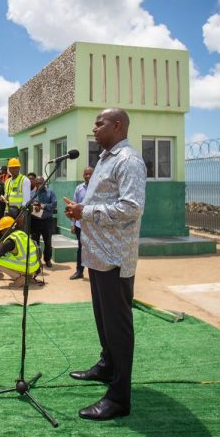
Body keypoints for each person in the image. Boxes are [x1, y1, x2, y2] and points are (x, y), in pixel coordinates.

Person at [64, 108, 146, 421]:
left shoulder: (128, 160)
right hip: (97, 256)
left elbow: (131, 208)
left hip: (115, 258)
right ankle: (107, 366)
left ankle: (119, 397)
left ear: (117, 125)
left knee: (118, 326)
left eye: (99, 123)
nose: (94, 127)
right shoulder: (105, 158)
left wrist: (86, 212)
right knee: (103, 321)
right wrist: (82, 212)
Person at [0, 216, 40, 288]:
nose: (1, 232)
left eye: (3, 230)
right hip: (34, 266)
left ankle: (20, 278)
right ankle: (28, 275)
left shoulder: (10, 241)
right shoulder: (21, 234)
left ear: (7, 229)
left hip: (28, 266)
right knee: (7, 256)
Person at [70, 166, 94, 280]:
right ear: (83, 175)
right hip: (80, 224)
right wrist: (73, 224)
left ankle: (94, 273)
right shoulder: (79, 188)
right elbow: (73, 206)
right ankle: (79, 271)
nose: (88, 176)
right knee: (81, 248)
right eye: (86, 174)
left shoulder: (98, 188)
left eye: (90, 174)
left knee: (94, 249)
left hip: (94, 225)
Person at [29, 176, 57, 271]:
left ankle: (47, 259)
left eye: (41, 182)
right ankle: (36, 260)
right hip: (35, 221)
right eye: (37, 183)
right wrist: (34, 206)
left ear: (45, 182)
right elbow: (28, 205)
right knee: (35, 242)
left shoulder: (50, 193)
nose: (39, 185)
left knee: (48, 241)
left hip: (47, 221)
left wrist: (42, 206)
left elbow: (54, 204)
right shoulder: (32, 193)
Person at [5, 157, 31, 223]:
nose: (14, 170)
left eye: (16, 167)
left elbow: (26, 200)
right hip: (9, 213)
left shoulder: (24, 180)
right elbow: (7, 196)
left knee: (20, 232)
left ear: (19, 168)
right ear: (9, 169)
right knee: (10, 233)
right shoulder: (7, 181)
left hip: (19, 213)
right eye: (12, 168)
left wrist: (21, 215)